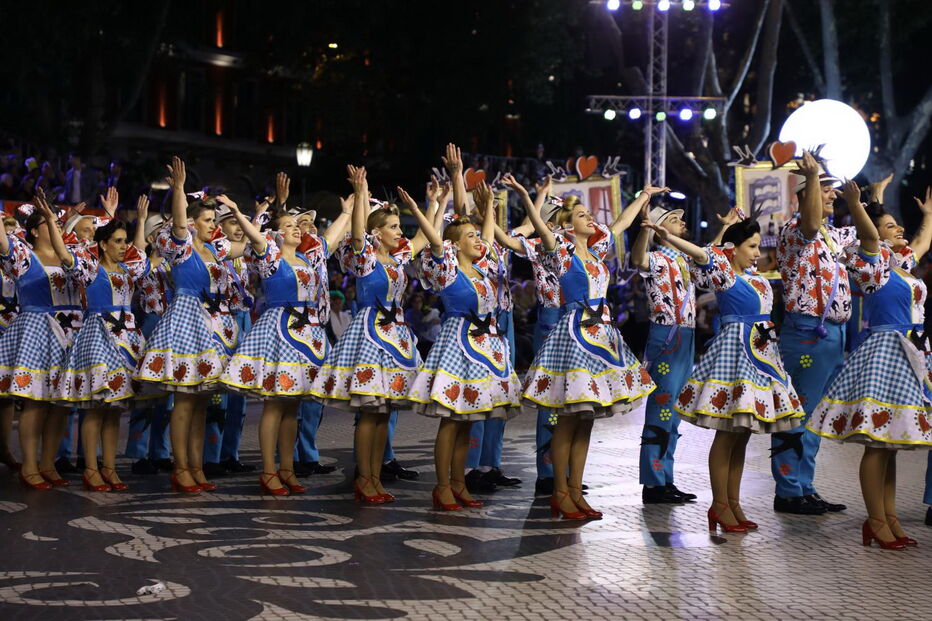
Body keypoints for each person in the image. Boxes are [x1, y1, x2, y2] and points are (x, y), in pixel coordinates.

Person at [651, 213, 805, 532]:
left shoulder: (757, 279)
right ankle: (719, 505)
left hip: (762, 356)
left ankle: (733, 504)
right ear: (733, 248)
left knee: (742, 435)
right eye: (752, 246)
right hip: (735, 357)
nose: (757, 253)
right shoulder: (723, 274)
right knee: (727, 434)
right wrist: (668, 237)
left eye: (758, 246)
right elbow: (701, 254)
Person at [522, 179, 655, 520]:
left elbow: (621, 223)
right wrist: (527, 197)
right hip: (575, 336)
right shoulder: (562, 253)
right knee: (569, 419)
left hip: (601, 337)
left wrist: (643, 196)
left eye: (589, 214)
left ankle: (576, 490)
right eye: (582, 215)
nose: (591, 218)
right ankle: (559, 492)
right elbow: (541, 228)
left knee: (586, 420)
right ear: (568, 226)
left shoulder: (596, 253)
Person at [809, 182, 932, 549]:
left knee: (889, 444)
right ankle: (876, 520)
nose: (900, 228)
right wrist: (856, 204)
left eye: (898, 224)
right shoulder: (872, 266)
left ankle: (889, 518)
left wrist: (928, 216)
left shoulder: (902, 264)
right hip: (886, 353)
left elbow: (922, 241)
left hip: (912, 352)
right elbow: (869, 235)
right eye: (891, 225)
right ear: (875, 234)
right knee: (877, 444)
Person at [310, 166, 439, 503]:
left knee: (384, 412)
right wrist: (360, 193)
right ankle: (364, 477)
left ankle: (376, 476)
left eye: (399, 226)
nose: (400, 232)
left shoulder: (398, 257)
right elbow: (357, 233)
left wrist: (433, 204)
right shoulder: (364, 258)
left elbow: (426, 236)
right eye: (393, 227)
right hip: (370, 333)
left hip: (396, 334)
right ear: (377, 232)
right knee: (370, 413)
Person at [219, 178, 351, 494]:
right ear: (276, 234)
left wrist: (349, 210)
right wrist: (237, 211)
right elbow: (255, 236)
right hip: (281, 331)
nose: (296, 229)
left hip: (307, 334)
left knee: (293, 407)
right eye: (289, 226)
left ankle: (288, 469)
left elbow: (331, 237)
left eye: (297, 226)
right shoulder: (271, 258)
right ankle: (268, 471)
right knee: (275, 405)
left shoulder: (307, 258)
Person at [135, 157, 255, 493]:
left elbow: (252, 244)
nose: (212, 224)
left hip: (216, 325)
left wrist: (244, 214)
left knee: (202, 402)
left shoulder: (218, 250)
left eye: (213, 220)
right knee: (185, 400)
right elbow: (177, 225)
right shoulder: (182, 248)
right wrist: (179, 189)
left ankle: (197, 465)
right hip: (189, 322)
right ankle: (181, 467)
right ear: (192, 222)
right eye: (207, 220)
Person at [407, 180, 522, 510]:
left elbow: (489, 238)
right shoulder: (447, 271)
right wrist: (428, 206)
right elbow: (435, 240)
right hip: (458, 345)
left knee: (469, 419)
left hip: (486, 346)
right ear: (455, 245)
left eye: (476, 235)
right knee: (451, 420)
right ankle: (442, 485)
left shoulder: (483, 269)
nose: (478, 240)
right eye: (470, 236)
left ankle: (459, 483)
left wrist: (488, 209)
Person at [770, 151, 852, 515]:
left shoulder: (833, 237)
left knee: (816, 416)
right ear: (805, 195)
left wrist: (871, 202)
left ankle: (805, 485)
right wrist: (814, 178)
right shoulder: (795, 231)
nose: (833, 195)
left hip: (834, 333)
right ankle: (788, 490)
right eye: (825, 189)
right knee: (798, 412)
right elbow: (811, 221)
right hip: (807, 332)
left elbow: (872, 236)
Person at [0, 188, 94, 489]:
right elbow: (3, 244)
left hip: (71, 332)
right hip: (38, 331)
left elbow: (86, 275)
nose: (55, 225)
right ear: (34, 230)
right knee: (36, 402)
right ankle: (29, 465)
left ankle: (48, 463)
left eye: (58, 221)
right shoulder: (24, 255)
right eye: (48, 221)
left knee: (62, 404)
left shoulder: (73, 255)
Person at [58, 196, 151, 491]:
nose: (124, 247)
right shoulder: (90, 268)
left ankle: (109, 467)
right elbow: (66, 256)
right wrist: (57, 221)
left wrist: (138, 220)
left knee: (115, 408)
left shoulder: (128, 269)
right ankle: (90, 468)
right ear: (103, 244)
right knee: (95, 408)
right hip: (99, 336)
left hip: (126, 338)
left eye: (124, 241)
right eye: (118, 242)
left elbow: (141, 252)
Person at [629, 190, 716, 505]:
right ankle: (653, 483)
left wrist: (724, 229)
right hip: (666, 335)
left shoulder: (683, 259)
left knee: (674, 410)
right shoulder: (656, 258)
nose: (682, 223)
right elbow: (637, 259)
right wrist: (644, 230)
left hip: (686, 336)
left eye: (681, 219)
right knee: (662, 406)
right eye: (674, 219)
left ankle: (665, 478)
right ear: (658, 228)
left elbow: (708, 256)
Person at [202, 199, 258, 476]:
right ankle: (210, 457)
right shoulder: (212, 251)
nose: (238, 228)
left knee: (239, 393)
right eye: (233, 222)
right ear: (219, 226)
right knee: (217, 395)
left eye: (240, 223)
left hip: (243, 320)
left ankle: (230, 454)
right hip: (219, 322)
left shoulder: (244, 253)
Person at [126, 214, 174, 475]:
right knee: (145, 395)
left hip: (171, 326)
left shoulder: (172, 261)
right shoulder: (142, 261)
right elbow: (138, 267)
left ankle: (161, 452)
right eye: (162, 230)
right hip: (150, 324)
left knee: (167, 394)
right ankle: (138, 454)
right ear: (152, 236)